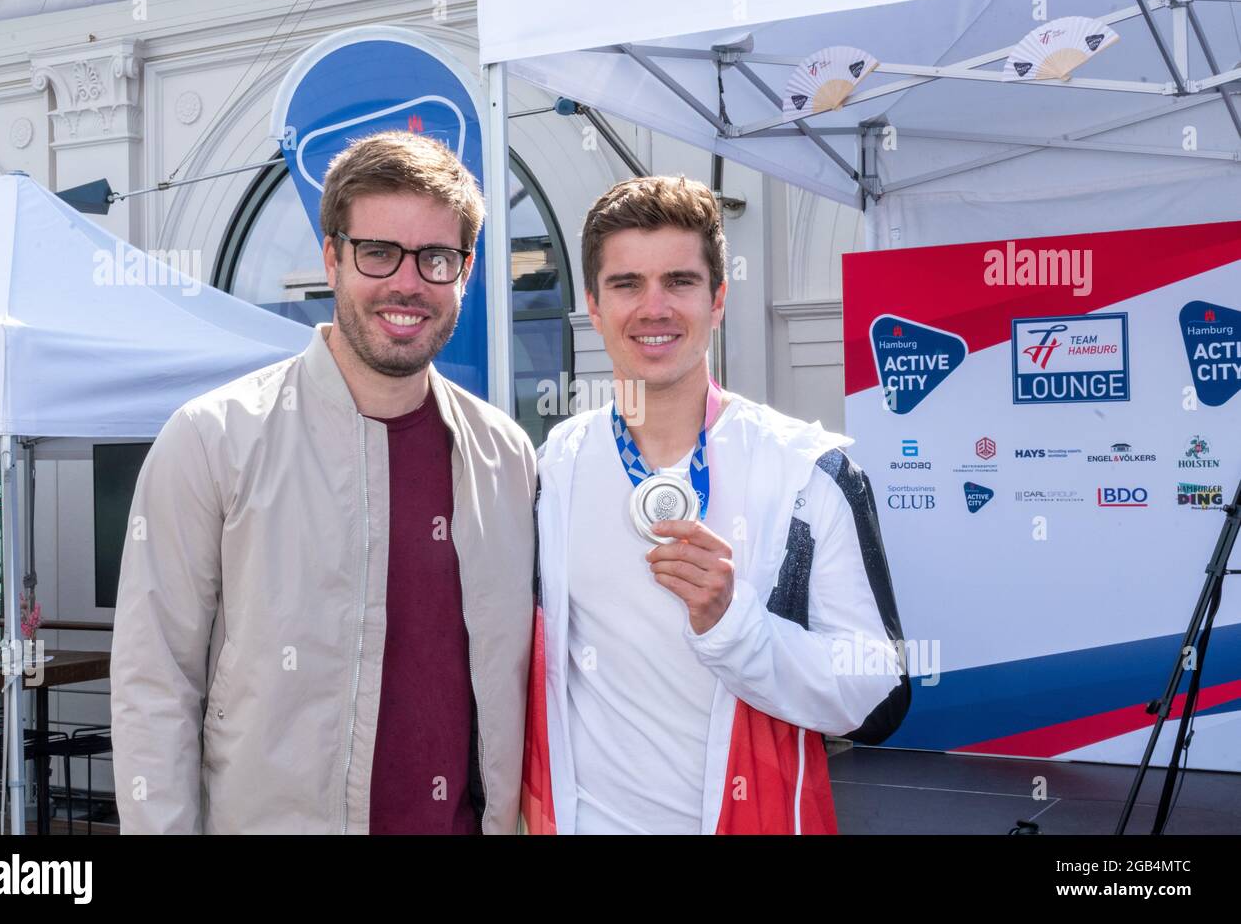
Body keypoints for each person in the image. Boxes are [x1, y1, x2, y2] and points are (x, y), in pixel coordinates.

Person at [111, 130, 536, 834]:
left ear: (464, 272)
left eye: (435, 258)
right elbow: (153, 685)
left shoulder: (507, 457)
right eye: (378, 252)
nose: (407, 283)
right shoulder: (212, 439)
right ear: (333, 258)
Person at [522, 175, 910, 834]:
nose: (654, 307)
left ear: (719, 298)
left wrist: (734, 623)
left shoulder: (807, 472)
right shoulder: (554, 463)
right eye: (625, 285)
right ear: (592, 304)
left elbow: (877, 697)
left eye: (678, 281)